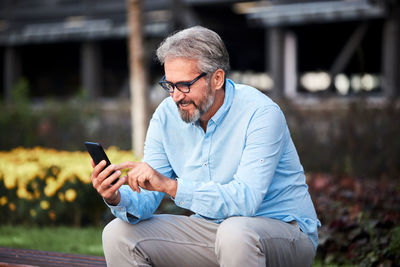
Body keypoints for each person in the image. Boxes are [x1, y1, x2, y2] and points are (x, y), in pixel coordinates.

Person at [90, 26, 320, 267]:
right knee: (118, 234)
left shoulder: (261, 113)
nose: (176, 97)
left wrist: (171, 186)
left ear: (217, 78)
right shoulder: (166, 116)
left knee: (235, 232)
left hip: (286, 233)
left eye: (184, 85)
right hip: (215, 231)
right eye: (169, 85)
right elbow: (146, 199)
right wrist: (116, 197)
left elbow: (246, 200)